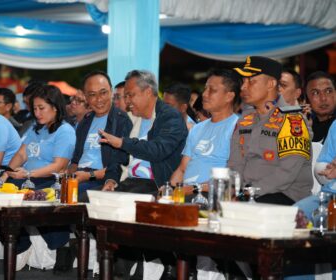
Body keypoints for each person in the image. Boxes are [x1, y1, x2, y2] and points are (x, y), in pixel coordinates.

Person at [229, 56, 312, 205]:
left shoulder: (292, 119)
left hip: (285, 196)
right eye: (243, 81)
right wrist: (235, 190)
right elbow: (236, 163)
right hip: (249, 195)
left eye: (251, 81)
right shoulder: (245, 119)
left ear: (271, 84)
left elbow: (286, 174)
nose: (243, 87)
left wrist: (247, 194)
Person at [100, 70, 188, 195]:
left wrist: (123, 142)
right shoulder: (130, 119)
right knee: (88, 200)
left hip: (156, 185)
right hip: (128, 182)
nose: (127, 101)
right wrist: (111, 180)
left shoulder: (170, 117)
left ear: (148, 92)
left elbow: (158, 150)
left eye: (130, 95)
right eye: (125, 96)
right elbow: (117, 159)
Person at [169, 69, 241, 197]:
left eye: (212, 90)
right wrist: (169, 191)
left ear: (229, 96)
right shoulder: (197, 128)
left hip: (211, 196)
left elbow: (233, 177)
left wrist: (194, 188)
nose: (205, 94)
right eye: (205, 89)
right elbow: (182, 169)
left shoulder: (238, 128)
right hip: (187, 193)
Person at [68, 71, 132, 200]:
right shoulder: (84, 122)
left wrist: (89, 175)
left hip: (100, 180)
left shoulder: (122, 121)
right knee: (43, 193)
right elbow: (75, 161)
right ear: (85, 97)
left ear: (111, 92)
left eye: (103, 93)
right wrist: (66, 177)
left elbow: (119, 166)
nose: (99, 99)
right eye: (92, 94)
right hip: (79, 177)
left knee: (73, 197)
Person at [0, 84, 76, 188]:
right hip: (27, 177)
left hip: (48, 180)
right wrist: (5, 175)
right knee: (1, 186)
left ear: (55, 107)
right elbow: (21, 155)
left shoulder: (65, 131)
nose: (37, 113)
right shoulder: (36, 128)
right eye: (34, 109)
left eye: (41, 108)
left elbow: (58, 166)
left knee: (12, 188)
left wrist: (28, 174)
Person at [305, 71, 335, 143]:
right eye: (315, 93)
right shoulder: (307, 126)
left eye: (328, 91)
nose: (323, 98)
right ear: (307, 100)